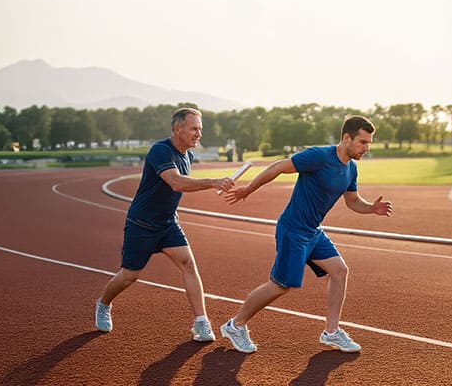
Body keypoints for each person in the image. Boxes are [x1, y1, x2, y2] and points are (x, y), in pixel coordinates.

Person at [217, 115, 394, 353]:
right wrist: (248, 189)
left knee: (339, 271)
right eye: (363, 142)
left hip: (313, 232)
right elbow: (279, 167)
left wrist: (371, 208)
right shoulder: (319, 156)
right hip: (293, 229)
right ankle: (235, 325)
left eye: (369, 143)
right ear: (346, 138)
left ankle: (331, 332)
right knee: (281, 285)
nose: (366, 148)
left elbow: (353, 201)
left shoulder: (351, 169)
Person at [95, 107, 236, 342]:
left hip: (168, 223)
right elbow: (176, 182)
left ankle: (201, 322)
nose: (199, 134)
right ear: (177, 128)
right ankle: (103, 304)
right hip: (141, 223)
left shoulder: (188, 155)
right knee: (130, 276)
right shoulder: (160, 151)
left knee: (188, 265)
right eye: (194, 128)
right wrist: (213, 182)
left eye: (200, 129)